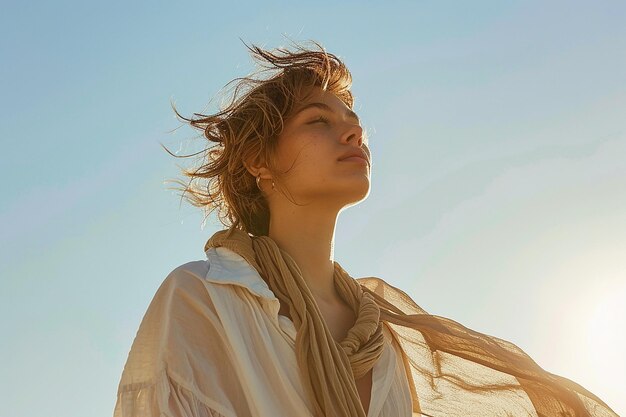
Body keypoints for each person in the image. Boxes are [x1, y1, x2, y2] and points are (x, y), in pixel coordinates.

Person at [113, 40, 618, 417]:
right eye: (317, 121)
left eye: (352, 118)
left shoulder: (383, 335)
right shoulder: (204, 297)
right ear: (257, 161)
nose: (353, 130)